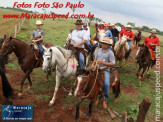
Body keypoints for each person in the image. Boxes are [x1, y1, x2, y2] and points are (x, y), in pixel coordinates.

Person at [91, 37, 115, 108]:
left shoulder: (110, 53)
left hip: (105, 70)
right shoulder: (99, 50)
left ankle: (105, 98)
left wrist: (103, 62)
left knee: (106, 84)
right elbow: (95, 58)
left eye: (106, 44)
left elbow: (113, 64)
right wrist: (93, 64)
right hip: (96, 67)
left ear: (108, 45)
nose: (104, 45)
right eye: (103, 43)